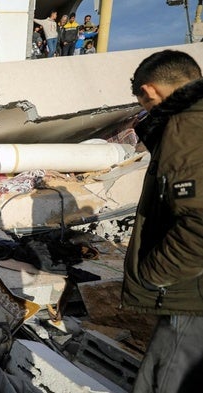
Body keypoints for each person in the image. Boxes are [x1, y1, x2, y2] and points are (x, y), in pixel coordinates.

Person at [123, 49, 203, 392]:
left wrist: (154, 275)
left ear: (150, 91)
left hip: (192, 297)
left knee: (163, 381)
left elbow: (199, 225)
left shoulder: (188, 128)